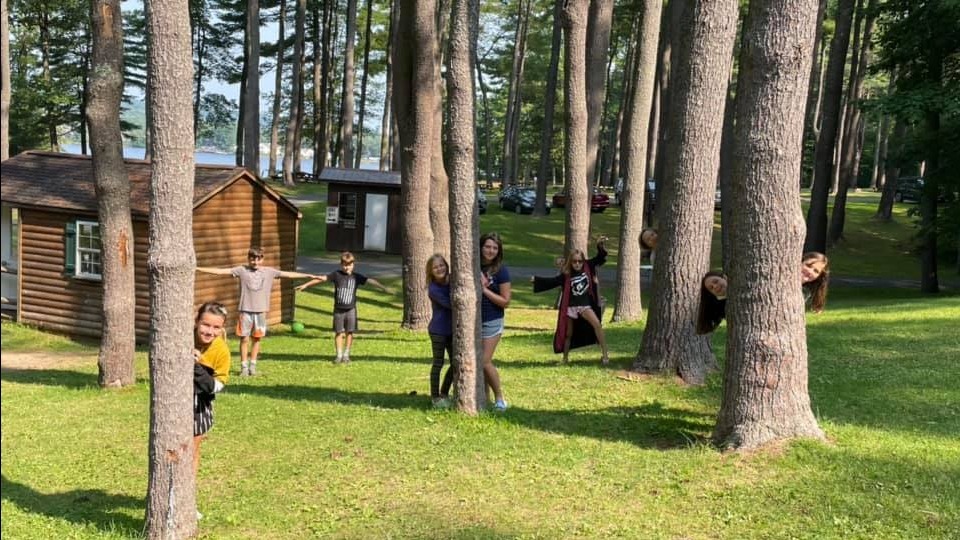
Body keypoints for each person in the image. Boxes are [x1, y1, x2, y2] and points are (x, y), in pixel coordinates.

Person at [198, 247, 319, 376]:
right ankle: (244, 366)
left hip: (261, 312)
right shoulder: (241, 270)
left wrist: (308, 275)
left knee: (257, 339)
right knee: (244, 339)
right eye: (252, 259)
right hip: (245, 311)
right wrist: (198, 268)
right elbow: (221, 272)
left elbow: (288, 274)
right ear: (248, 259)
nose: (255, 262)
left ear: (262, 259)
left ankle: (253, 366)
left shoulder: (269, 272)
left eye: (258, 259)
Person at [695, 251, 831, 334]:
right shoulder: (776, 275)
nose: (810, 272)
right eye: (808, 266)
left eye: (816, 271)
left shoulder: (803, 293)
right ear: (799, 261)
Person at [295, 251, 392, 363]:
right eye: (345, 265)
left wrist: (383, 288)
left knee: (349, 332)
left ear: (353, 264)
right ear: (341, 264)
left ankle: (346, 355)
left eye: (349, 265)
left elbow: (370, 280)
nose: (347, 267)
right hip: (338, 310)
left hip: (351, 309)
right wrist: (305, 285)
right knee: (338, 332)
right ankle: (339, 355)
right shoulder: (336, 275)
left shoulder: (356, 277)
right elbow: (321, 278)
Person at [532, 236, 610, 364]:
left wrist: (600, 246)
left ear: (583, 260)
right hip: (570, 308)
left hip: (585, 306)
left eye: (579, 261)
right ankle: (565, 359)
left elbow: (600, 258)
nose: (577, 264)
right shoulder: (566, 274)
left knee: (597, 325)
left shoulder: (588, 266)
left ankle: (605, 355)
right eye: (574, 261)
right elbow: (553, 281)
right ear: (571, 262)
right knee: (568, 334)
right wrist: (537, 280)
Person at [193, 301, 231, 496]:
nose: (210, 331)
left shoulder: (221, 350)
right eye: (206, 325)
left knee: (191, 449)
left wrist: (198, 368)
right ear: (197, 321)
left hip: (199, 404)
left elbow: (218, 385)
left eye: (216, 327)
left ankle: (186, 496)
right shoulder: (184, 336)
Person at [479, 232, 510, 411]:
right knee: (478, 362)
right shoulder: (473, 264)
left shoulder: (501, 271)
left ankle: (500, 398)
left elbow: (505, 301)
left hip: (492, 320)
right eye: (487, 246)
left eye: (495, 248)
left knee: (484, 361)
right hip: (473, 322)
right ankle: (484, 398)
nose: (491, 251)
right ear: (481, 247)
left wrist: (485, 289)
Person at [426, 254, 456, 408]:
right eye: (436, 267)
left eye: (442, 265)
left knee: (455, 363)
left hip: (452, 331)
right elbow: (452, 304)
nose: (440, 269)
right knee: (438, 363)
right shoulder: (433, 289)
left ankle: (444, 392)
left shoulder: (453, 280)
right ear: (431, 271)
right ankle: (435, 396)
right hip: (438, 331)